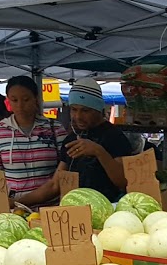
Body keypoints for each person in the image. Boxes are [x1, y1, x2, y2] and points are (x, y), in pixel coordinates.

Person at [17, 79, 132, 207]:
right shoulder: (71, 139)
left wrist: (99, 152)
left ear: (98, 109)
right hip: (73, 214)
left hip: (107, 211)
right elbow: (55, 185)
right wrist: (18, 202)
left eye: (85, 111)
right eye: (74, 109)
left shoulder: (115, 136)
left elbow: (124, 181)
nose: (78, 116)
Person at [0, 76, 61, 210]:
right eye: (14, 100)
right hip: (14, 211)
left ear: (36, 98)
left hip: (51, 210)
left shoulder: (54, 129)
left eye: (26, 99)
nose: (20, 105)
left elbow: (65, 172)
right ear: (8, 101)